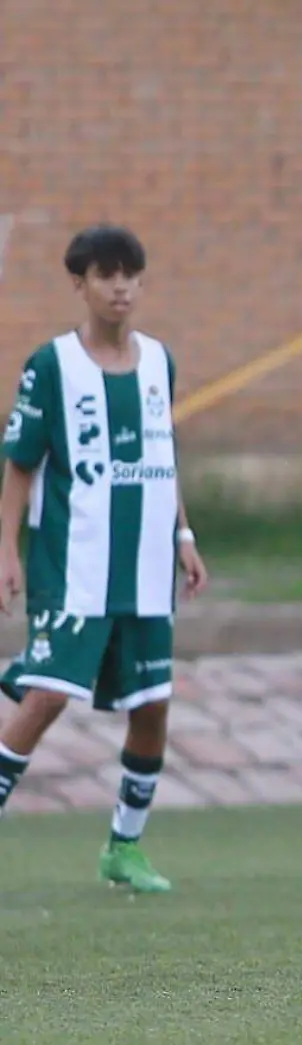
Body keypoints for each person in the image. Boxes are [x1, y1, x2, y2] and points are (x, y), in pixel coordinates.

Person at [0, 224, 211, 892]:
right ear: (80, 285)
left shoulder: (158, 362)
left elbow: (162, 455)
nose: (120, 287)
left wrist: (184, 536)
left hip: (148, 567)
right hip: (76, 563)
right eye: (106, 274)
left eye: (130, 274)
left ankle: (124, 848)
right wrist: (6, 548)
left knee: (152, 704)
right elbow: (20, 466)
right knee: (47, 699)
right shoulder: (51, 366)